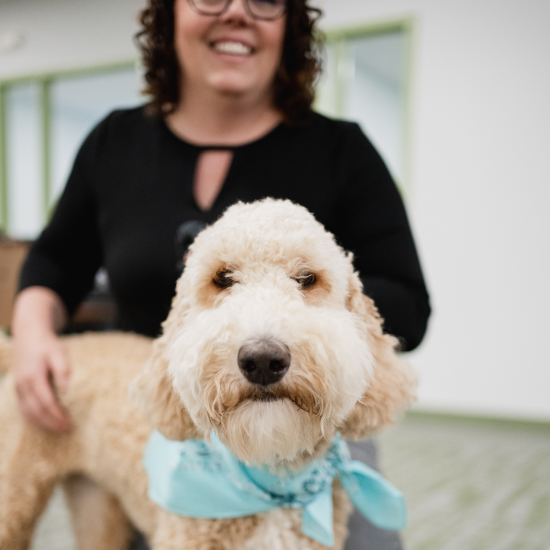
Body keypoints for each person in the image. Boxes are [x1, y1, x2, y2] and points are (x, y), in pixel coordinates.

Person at [12, 0, 430, 548]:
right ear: (169, 17)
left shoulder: (342, 150)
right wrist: (32, 334)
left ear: (290, 27)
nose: (237, 13)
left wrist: (321, 320)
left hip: (320, 412)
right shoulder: (113, 142)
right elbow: (54, 261)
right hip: (176, 411)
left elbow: (407, 301)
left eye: (264, 1)